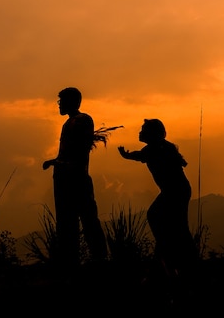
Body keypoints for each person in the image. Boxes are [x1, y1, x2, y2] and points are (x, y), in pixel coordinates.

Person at [118, 119, 199, 280]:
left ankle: (173, 258)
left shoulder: (156, 148)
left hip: (175, 191)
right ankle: (179, 260)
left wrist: (126, 155)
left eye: (143, 130)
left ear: (151, 133)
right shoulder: (160, 147)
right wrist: (127, 155)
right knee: (175, 224)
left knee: (158, 217)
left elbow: (141, 156)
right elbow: (142, 155)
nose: (140, 132)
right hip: (176, 190)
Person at [43, 87, 108, 268]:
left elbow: (79, 153)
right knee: (67, 221)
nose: (59, 105)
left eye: (62, 101)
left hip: (75, 179)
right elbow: (69, 153)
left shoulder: (81, 121)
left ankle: (98, 259)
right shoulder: (71, 123)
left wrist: (61, 164)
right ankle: (71, 261)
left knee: (85, 219)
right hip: (65, 179)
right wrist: (55, 162)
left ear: (72, 102)